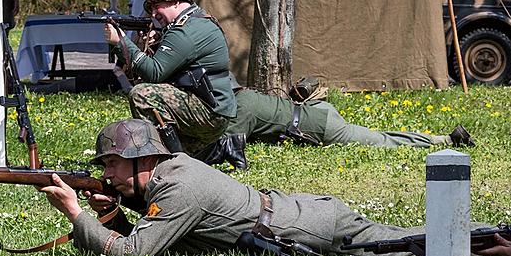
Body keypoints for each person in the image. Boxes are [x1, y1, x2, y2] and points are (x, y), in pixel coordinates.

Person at [38, 119, 420, 256]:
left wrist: (76, 213)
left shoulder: (178, 189)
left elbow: (133, 254)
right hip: (292, 215)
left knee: (409, 248)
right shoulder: (171, 172)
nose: (108, 173)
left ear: (144, 159)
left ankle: (479, 241)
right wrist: (115, 213)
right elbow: (155, 231)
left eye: (113, 163)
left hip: (311, 227)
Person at [105, 0, 236, 154]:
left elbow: (154, 73)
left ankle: (168, 160)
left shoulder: (185, 30)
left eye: (157, 6)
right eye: (150, 8)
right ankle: (219, 149)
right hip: (215, 108)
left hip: (209, 112)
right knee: (190, 154)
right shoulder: (196, 21)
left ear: (175, 1)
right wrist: (159, 40)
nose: (153, 14)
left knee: (142, 95)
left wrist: (121, 42)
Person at [199, 88, 474, 169]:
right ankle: (444, 138)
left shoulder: (240, 110)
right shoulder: (244, 98)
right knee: (381, 137)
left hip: (320, 127)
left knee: (382, 142)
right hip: (315, 113)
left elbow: (231, 152)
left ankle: (445, 140)